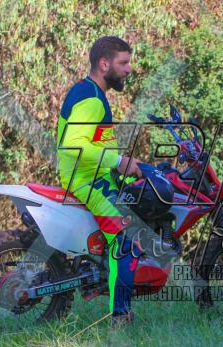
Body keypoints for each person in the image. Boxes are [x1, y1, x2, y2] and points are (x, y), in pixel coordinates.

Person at [56, 36, 143, 327]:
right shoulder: (91, 99)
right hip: (86, 179)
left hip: (96, 175)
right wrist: (118, 162)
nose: (129, 69)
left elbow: (95, 141)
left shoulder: (90, 91)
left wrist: (124, 165)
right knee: (128, 241)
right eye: (123, 63)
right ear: (104, 64)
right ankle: (121, 317)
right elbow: (73, 145)